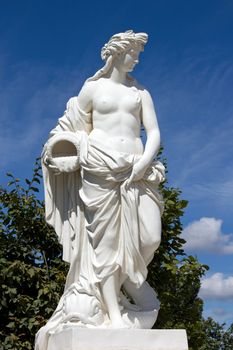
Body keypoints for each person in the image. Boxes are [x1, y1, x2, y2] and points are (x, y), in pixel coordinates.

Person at [37, 30, 165, 345]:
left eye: (137, 53)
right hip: (100, 169)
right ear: (117, 54)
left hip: (138, 171)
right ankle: (114, 314)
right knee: (106, 246)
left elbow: (154, 133)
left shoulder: (141, 92)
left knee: (150, 238)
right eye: (133, 52)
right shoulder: (92, 89)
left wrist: (144, 161)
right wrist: (59, 154)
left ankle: (125, 292)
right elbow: (67, 130)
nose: (136, 58)